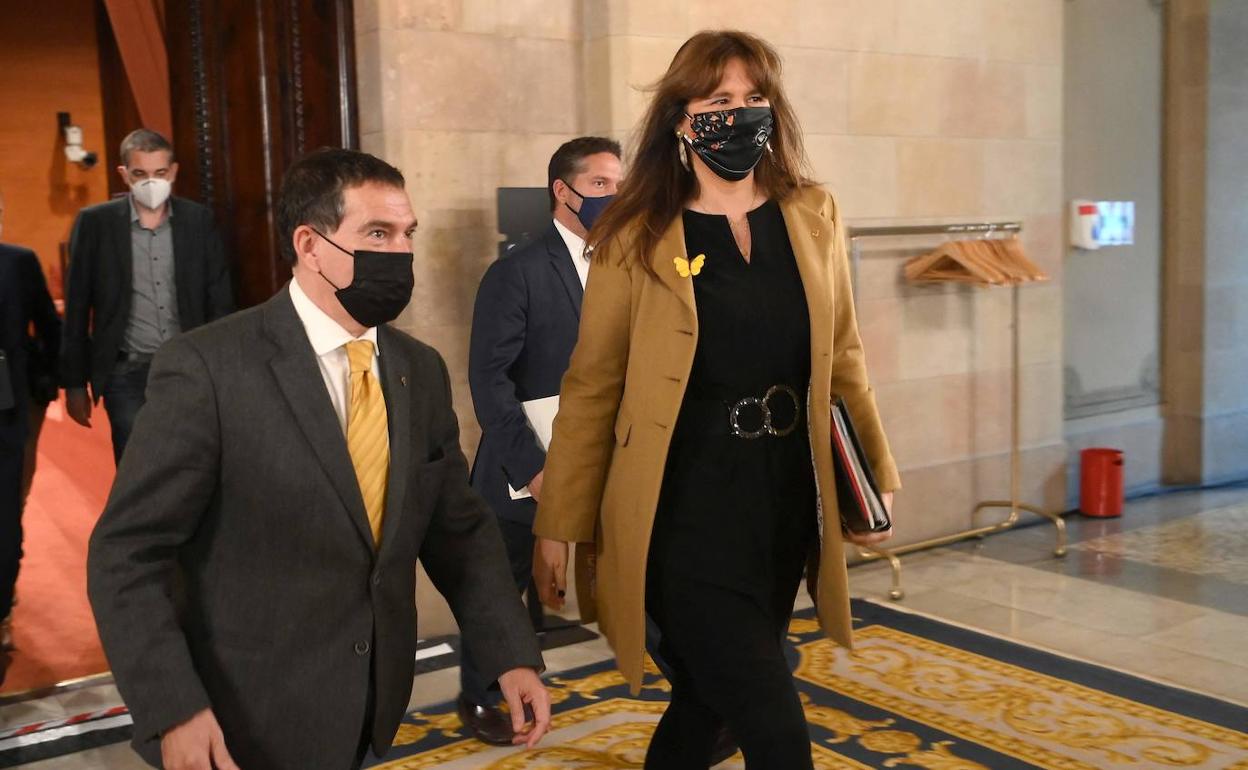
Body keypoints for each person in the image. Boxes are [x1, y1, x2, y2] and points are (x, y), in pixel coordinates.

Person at [87, 148, 551, 770]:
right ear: (310, 245)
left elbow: (457, 529)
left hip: (371, 706)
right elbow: (127, 554)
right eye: (377, 234)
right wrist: (173, 707)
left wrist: (510, 651)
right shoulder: (209, 368)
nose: (401, 253)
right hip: (241, 718)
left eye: (408, 233)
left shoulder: (420, 369)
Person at [531, 30, 900, 769]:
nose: (740, 112)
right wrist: (557, 524)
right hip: (683, 505)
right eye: (719, 99)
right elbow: (593, 386)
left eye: (754, 97)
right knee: (773, 724)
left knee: (705, 702)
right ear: (681, 119)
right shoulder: (634, 236)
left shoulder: (813, 214)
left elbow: (846, 357)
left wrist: (873, 482)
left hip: (785, 497)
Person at [459, 136, 621, 744]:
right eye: (601, 184)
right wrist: (532, 469)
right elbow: (488, 380)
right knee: (500, 585)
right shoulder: (517, 271)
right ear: (563, 190)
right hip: (522, 462)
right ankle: (482, 696)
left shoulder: (625, 264)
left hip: (602, 453)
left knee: (635, 568)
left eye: (620, 185)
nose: (615, 196)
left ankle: (695, 687)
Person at [61, 128, 234, 464]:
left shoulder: (197, 221)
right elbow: (77, 304)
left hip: (190, 368)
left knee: (195, 463)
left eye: (159, 173)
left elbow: (219, 297)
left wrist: (225, 370)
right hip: (126, 372)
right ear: (124, 174)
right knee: (137, 468)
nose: (151, 182)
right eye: (140, 174)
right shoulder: (95, 223)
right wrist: (73, 383)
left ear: (173, 172)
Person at [0, 189, 61, 657]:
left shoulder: (18, 262)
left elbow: (48, 324)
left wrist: (58, 384)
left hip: (9, 408)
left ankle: (2, 607)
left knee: (7, 510)